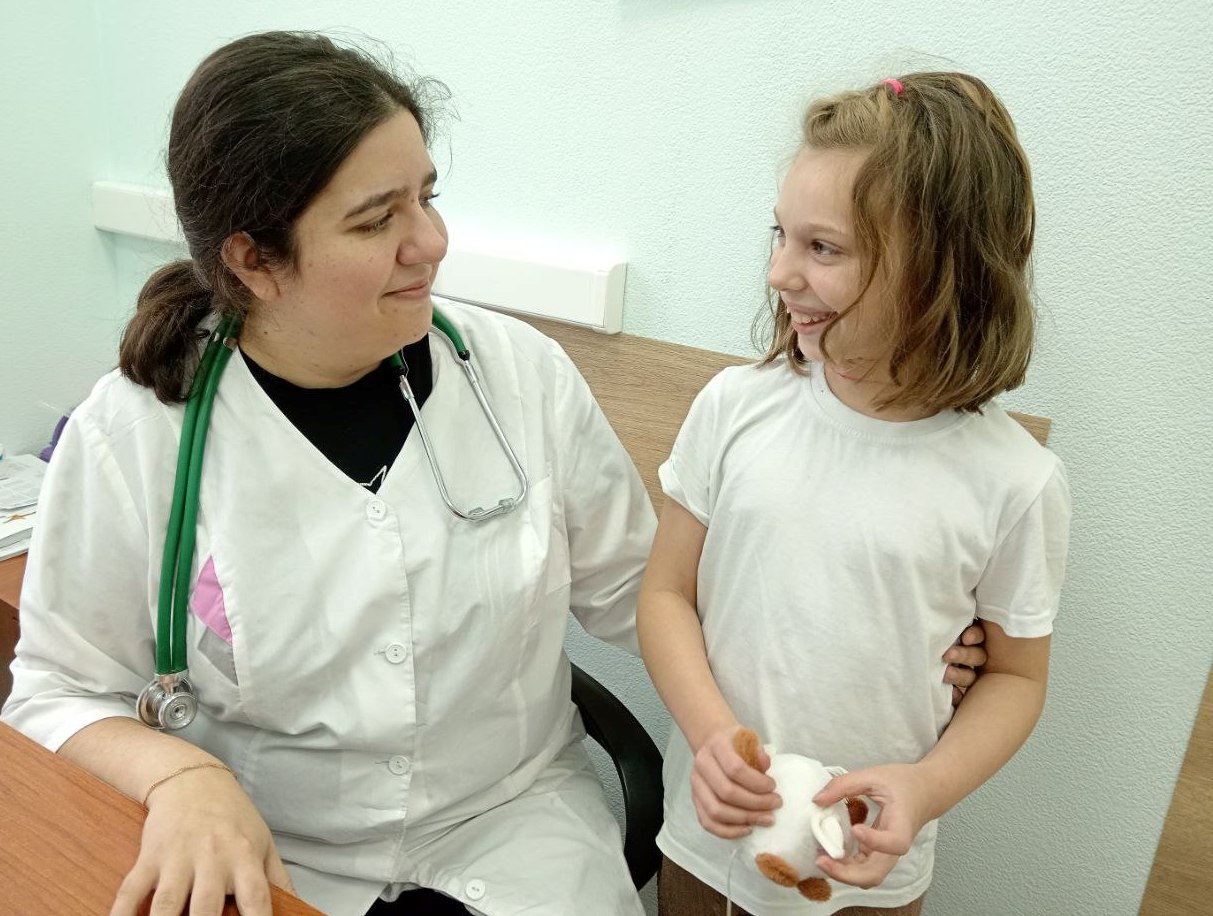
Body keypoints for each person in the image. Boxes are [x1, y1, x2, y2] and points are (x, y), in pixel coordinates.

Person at [0, 35, 987, 915]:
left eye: (426, 197)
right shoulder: (134, 438)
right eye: (376, 220)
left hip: (519, 839)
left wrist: (885, 627)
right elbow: (53, 692)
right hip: (267, 850)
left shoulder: (519, 379)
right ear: (256, 261)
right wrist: (181, 778)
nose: (431, 242)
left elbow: (649, 593)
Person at [638, 72, 1071, 916]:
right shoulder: (735, 407)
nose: (779, 272)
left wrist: (926, 787)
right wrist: (712, 736)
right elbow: (665, 594)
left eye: (822, 248)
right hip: (703, 839)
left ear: (940, 272)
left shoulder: (1014, 482)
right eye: (781, 235)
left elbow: (1016, 680)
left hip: (864, 873)